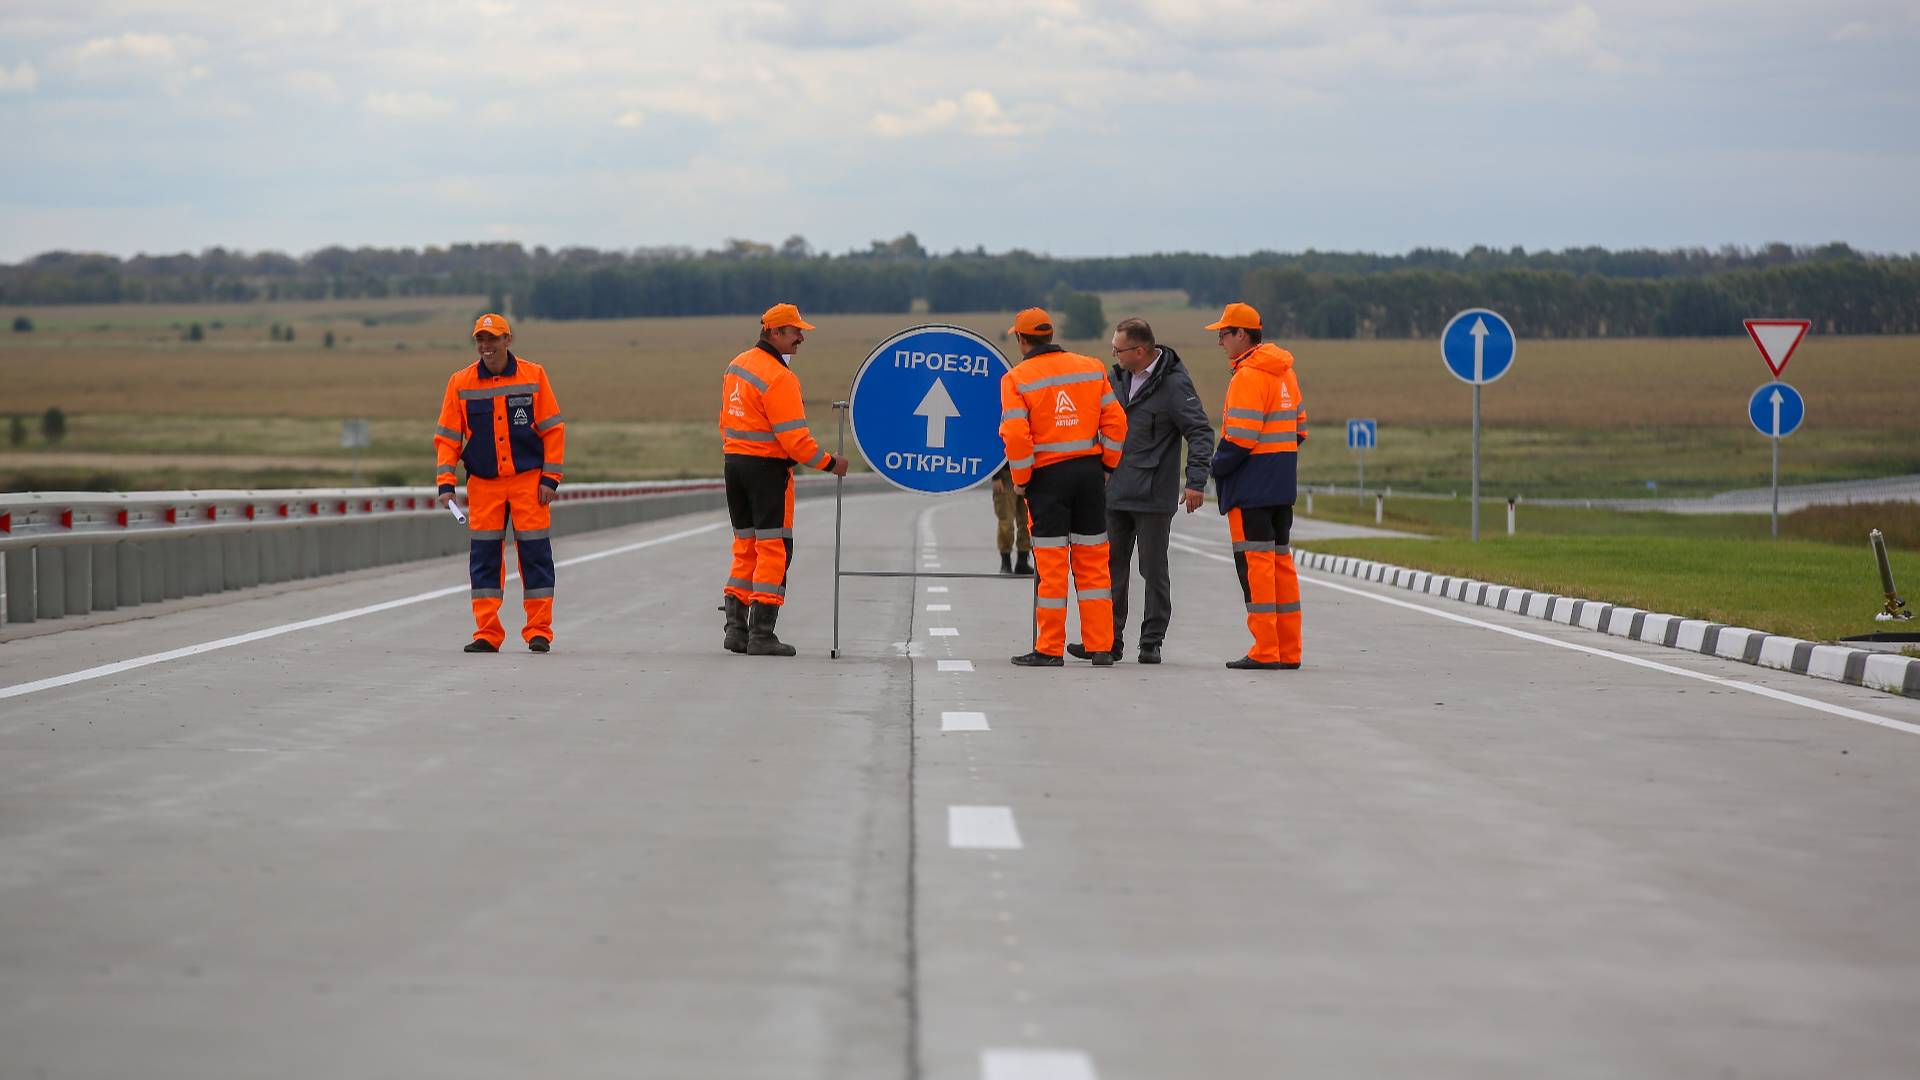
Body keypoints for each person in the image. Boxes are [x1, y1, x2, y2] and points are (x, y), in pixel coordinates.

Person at [1066, 317, 1214, 665]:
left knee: (1152, 569)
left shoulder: (1175, 385)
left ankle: (1151, 640)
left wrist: (1195, 482)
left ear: (1140, 351)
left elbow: (1200, 433)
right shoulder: (1113, 378)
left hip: (1153, 497)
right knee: (1108, 570)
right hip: (1113, 493)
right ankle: (1107, 640)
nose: (1113, 354)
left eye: (1118, 349)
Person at [997, 307, 1127, 668]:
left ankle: (1050, 648)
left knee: (1052, 567)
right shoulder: (1091, 367)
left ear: (1022, 340)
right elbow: (1116, 422)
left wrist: (1021, 481)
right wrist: (1106, 466)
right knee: (1094, 564)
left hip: (1046, 479)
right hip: (1088, 474)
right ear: (1050, 335)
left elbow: (1017, 437)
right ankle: (1101, 645)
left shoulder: (1016, 379)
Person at [719, 303, 850, 656]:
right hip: (766, 472)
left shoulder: (737, 365)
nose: (801, 338)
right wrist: (829, 463)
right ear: (774, 333)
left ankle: (735, 629)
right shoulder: (779, 378)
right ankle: (761, 634)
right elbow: (795, 440)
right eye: (795, 332)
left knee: (745, 545)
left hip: (734, 465)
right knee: (774, 548)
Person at [434, 313, 566, 654]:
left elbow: (553, 430)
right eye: (480, 339)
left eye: (492, 339)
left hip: (528, 483)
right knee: (484, 558)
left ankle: (539, 631)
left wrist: (551, 477)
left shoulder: (534, 375)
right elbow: (448, 437)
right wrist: (445, 482)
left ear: (508, 340)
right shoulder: (460, 382)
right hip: (484, 485)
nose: (485, 346)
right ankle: (487, 633)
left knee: (536, 556)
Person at [1206, 302, 1304, 670]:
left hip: (1251, 487)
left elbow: (1241, 438)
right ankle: (1288, 650)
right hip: (1281, 485)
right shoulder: (1285, 373)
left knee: (1255, 568)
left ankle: (1265, 650)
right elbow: (1300, 429)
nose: (1220, 342)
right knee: (1281, 565)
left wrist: (1217, 466)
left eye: (1224, 334)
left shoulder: (1249, 375)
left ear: (1242, 335)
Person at [989, 464, 1033, 575]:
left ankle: (1022, 561)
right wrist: (995, 476)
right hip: (1005, 475)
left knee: (1027, 521)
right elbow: (994, 448)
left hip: (1028, 473)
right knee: (1006, 522)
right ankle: (1005, 562)